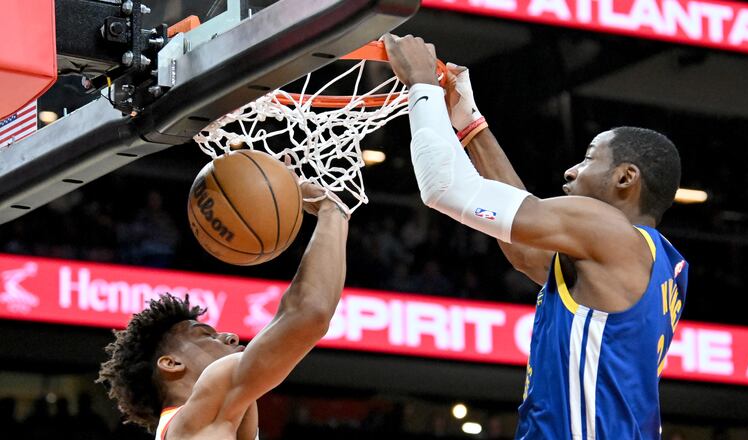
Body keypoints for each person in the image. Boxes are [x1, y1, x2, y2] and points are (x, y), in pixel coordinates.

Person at [383, 34, 689, 439]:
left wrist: (421, 83)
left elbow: (444, 189)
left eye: (588, 159)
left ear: (625, 178)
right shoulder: (656, 264)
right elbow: (525, 250)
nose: (571, 171)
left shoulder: (610, 230)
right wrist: (470, 123)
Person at [97, 180, 349, 440]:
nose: (231, 336)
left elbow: (310, 315)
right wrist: (331, 208)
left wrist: (321, 207)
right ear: (171, 364)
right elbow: (308, 314)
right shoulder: (197, 419)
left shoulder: (216, 423)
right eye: (206, 335)